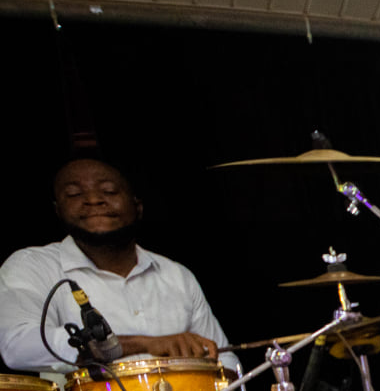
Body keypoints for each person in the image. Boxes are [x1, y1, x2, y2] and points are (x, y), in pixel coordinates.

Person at [0, 158, 238, 374]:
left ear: (137, 206)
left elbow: (228, 364)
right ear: (58, 210)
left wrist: (206, 366)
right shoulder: (31, 266)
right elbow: (17, 346)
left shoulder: (176, 275)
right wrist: (142, 344)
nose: (93, 200)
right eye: (74, 194)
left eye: (109, 191)